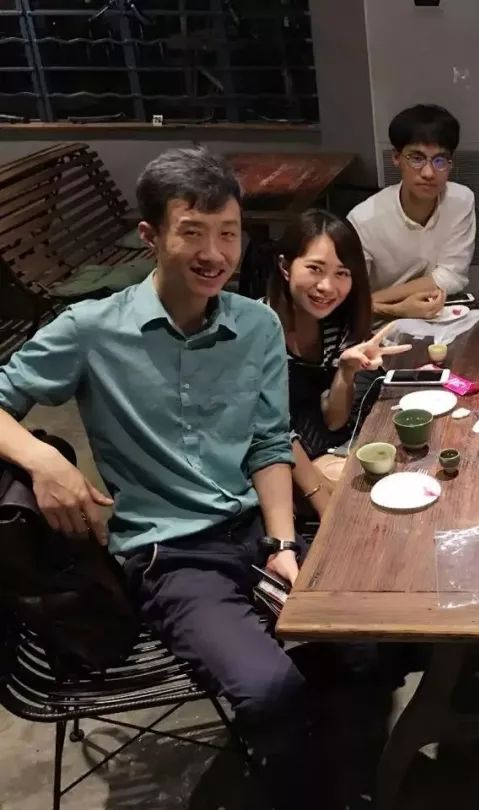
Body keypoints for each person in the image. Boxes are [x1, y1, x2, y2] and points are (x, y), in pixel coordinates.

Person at [0, 148, 361, 807]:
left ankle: (325, 760)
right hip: (171, 556)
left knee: (379, 636)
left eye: (228, 233)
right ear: (151, 235)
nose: (214, 253)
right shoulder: (91, 330)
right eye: (192, 231)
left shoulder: (256, 325)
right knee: (270, 688)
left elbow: (268, 443)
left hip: (255, 531)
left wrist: (283, 543)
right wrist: (42, 458)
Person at [264, 209, 409, 517]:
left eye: (342, 273)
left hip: (319, 445)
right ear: (285, 267)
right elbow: (267, 433)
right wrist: (321, 495)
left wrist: (345, 370)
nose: (327, 287)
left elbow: (334, 421)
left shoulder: (336, 321)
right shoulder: (258, 329)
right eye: (315, 269)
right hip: (271, 463)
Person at [347, 104, 476, 320]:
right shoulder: (363, 220)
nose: (428, 173)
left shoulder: (461, 201)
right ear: (396, 158)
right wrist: (398, 309)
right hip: (381, 320)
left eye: (439, 160)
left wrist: (375, 298)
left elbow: (452, 276)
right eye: (417, 158)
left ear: (450, 163)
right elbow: (349, 301)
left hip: (438, 313)